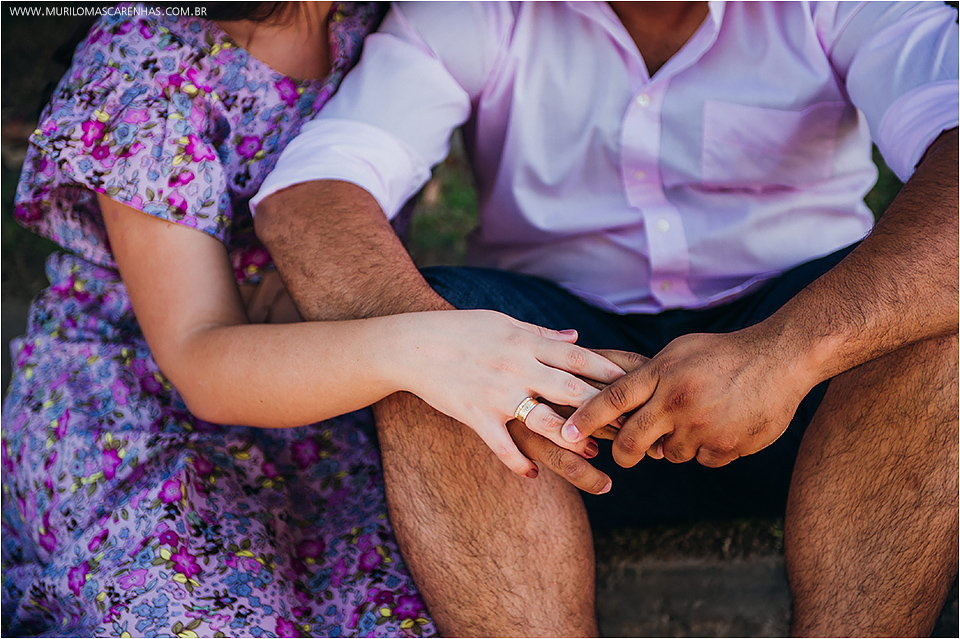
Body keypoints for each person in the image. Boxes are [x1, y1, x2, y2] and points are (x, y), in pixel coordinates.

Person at [252, 1, 959, 636]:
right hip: (560, 415)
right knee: (435, 351)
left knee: (928, 320)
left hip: (811, 392)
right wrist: (454, 359)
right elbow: (311, 194)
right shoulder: (480, 10)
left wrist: (786, 353)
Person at [0, 2, 628, 637]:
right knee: (190, 608)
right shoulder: (144, 58)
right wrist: (420, 349)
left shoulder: (374, 16)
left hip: (329, 381)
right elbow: (198, 357)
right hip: (142, 402)